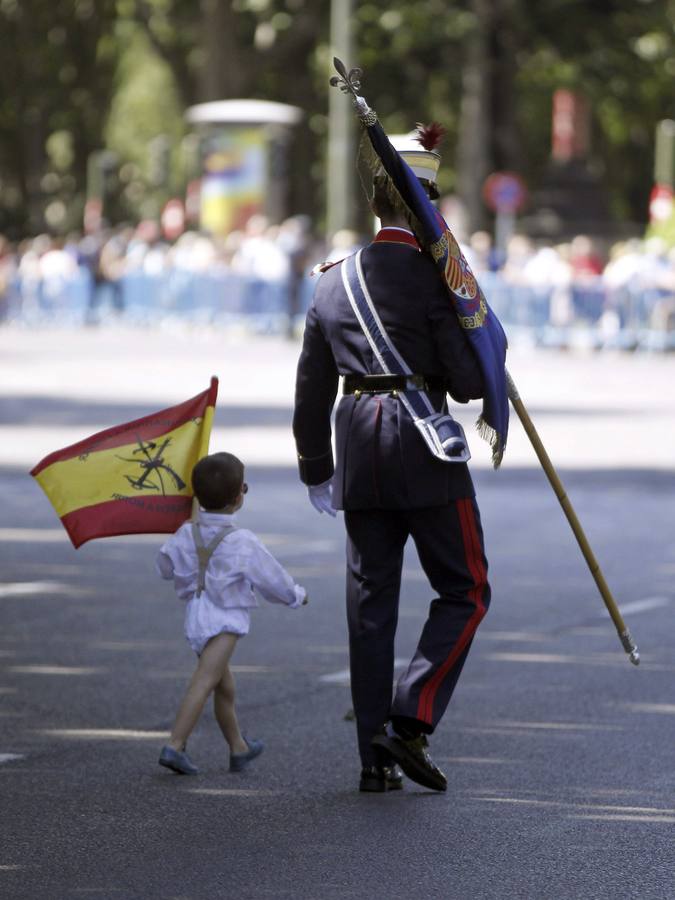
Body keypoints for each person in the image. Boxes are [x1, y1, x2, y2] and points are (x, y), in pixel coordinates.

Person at [293, 132, 490, 794]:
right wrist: (481, 335)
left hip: (359, 447)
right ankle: (410, 716)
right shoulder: (437, 279)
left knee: (369, 607)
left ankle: (372, 761)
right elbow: (465, 384)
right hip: (422, 443)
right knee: (466, 588)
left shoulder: (329, 281)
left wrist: (314, 465)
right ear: (425, 205)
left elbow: (310, 387)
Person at [156, 451, 307, 775]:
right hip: (223, 621)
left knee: (225, 687)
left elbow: (165, 567)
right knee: (205, 681)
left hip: (196, 616)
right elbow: (272, 579)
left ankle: (238, 747)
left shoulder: (186, 532)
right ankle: (174, 745)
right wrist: (296, 596)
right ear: (238, 498)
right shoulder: (242, 541)